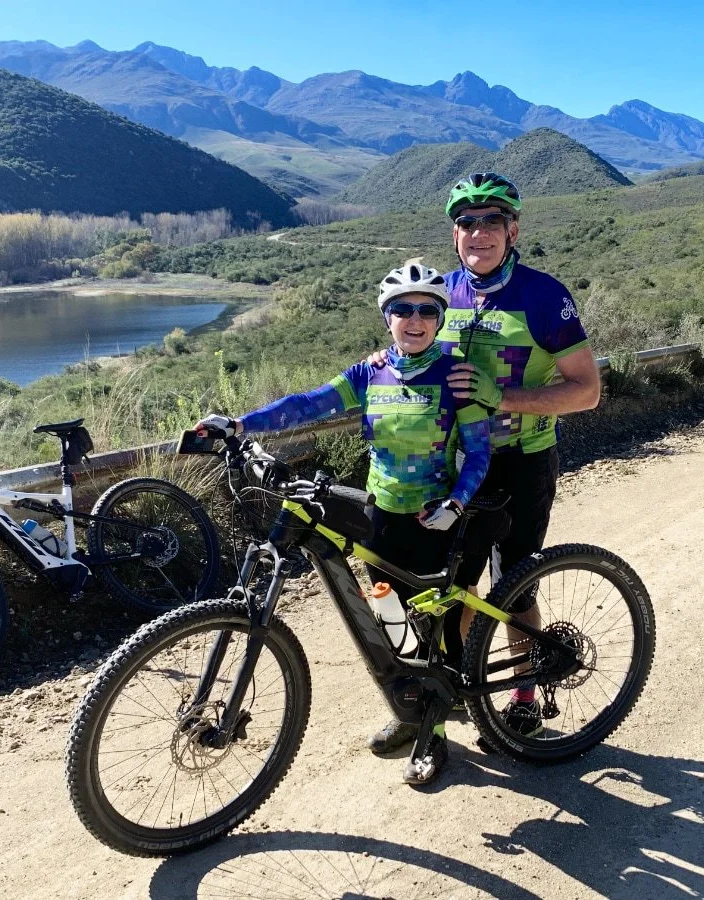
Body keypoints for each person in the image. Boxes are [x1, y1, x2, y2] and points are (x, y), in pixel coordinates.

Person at [196, 261, 493, 786]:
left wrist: (457, 503)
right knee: (390, 618)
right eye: (403, 309)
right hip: (381, 515)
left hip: (436, 521)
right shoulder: (371, 372)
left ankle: (434, 734)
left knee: (435, 629)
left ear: (441, 316)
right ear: (388, 319)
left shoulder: (457, 376)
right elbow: (309, 403)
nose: (415, 319)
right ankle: (413, 712)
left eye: (427, 309)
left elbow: (478, 452)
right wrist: (242, 423)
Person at [377, 172, 602, 744]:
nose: (479, 232)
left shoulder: (544, 296)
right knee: (444, 585)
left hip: (523, 460)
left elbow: (586, 390)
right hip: (453, 465)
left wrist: (502, 397)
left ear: (512, 229)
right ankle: (434, 704)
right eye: (467, 222)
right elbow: (409, 349)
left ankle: (524, 694)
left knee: (514, 582)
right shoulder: (439, 293)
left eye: (491, 221)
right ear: (455, 234)